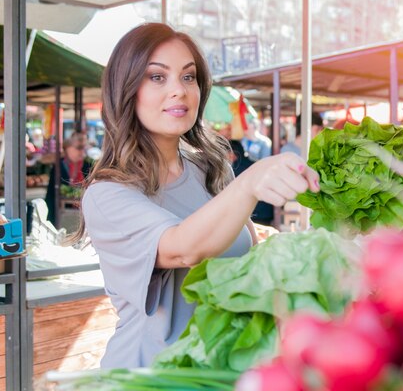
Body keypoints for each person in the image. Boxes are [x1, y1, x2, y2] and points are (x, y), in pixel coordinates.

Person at [71, 23, 319, 369]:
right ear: (126, 89)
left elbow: (250, 259)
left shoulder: (211, 170)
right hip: (151, 375)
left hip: (226, 369)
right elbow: (183, 248)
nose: (180, 91)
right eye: (157, 77)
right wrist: (249, 183)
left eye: (188, 78)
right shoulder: (107, 194)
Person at [45, 132, 93, 227]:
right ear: (68, 148)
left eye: (84, 148)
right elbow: (50, 196)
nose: (82, 152)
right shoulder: (58, 167)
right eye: (79, 148)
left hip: (84, 216)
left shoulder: (88, 165)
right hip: (61, 216)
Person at [228, 139, 275, 226]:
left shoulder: (235, 170)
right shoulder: (253, 164)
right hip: (266, 212)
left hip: (254, 214)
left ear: (232, 155)